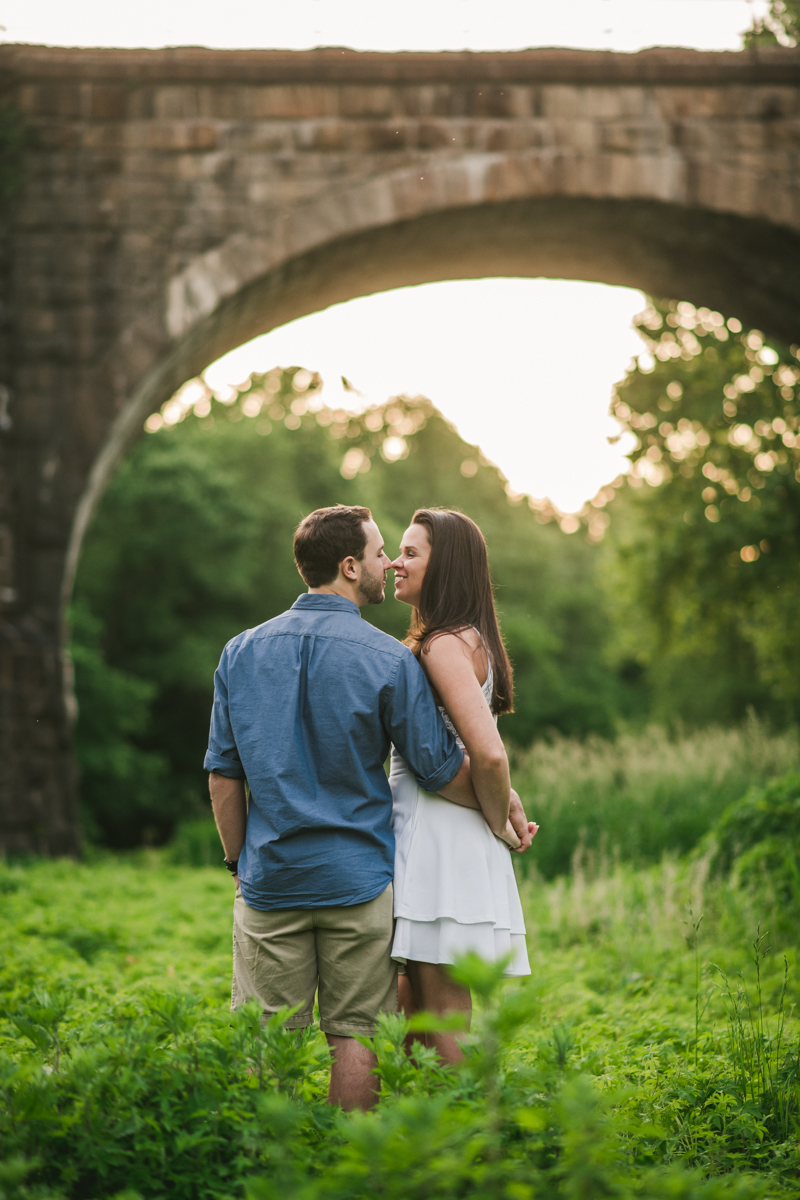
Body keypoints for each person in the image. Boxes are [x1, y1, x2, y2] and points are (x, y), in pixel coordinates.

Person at [204, 505, 525, 1111]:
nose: (388, 564)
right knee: (357, 1035)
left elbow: (224, 775)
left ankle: (259, 1163)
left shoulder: (239, 651)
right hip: (360, 881)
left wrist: (238, 861)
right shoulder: (389, 658)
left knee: (264, 1040)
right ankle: (353, 1163)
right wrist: (498, 806)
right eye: (381, 554)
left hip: (270, 877)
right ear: (350, 567)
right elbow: (435, 766)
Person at [389, 508, 538, 1064]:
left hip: (440, 842)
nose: (396, 565)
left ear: (443, 564)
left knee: (443, 1011)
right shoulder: (471, 638)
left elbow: (490, 755)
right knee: (414, 1005)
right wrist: (507, 809)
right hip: (439, 834)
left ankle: (467, 1136)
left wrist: (497, 821)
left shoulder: (442, 645)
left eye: (410, 553)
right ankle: (420, 1130)